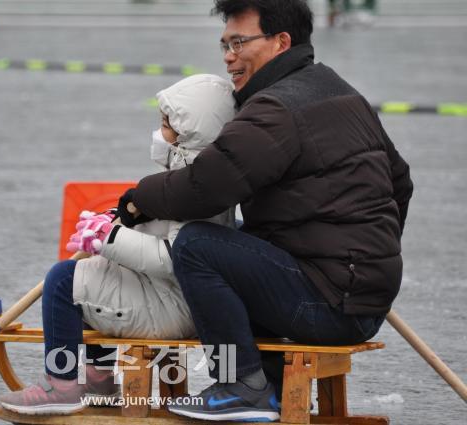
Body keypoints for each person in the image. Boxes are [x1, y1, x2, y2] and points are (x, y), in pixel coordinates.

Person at [115, 0, 413, 422]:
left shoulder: (276, 108)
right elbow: (400, 182)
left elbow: (206, 187)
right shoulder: (341, 91)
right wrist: (366, 257)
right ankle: (268, 381)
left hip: (328, 303)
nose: (228, 57)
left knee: (197, 244)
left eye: (239, 42)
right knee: (240, 237)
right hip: (358, 295)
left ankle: (242, 384)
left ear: (281, 42)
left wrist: (139, 198)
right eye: (224, 45)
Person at [0, 74, 237, 415]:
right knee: (97, 274)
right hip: (181, 298)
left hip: (172, 306)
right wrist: (122, 221)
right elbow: (167, 227)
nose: (160, 133)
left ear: (190, 132)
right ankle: (99, 379)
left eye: (167, 125)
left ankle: (61, 383)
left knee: (64, 281)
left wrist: (109, 238)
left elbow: (176, 258)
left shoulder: (195, 188)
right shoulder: (204, 176)